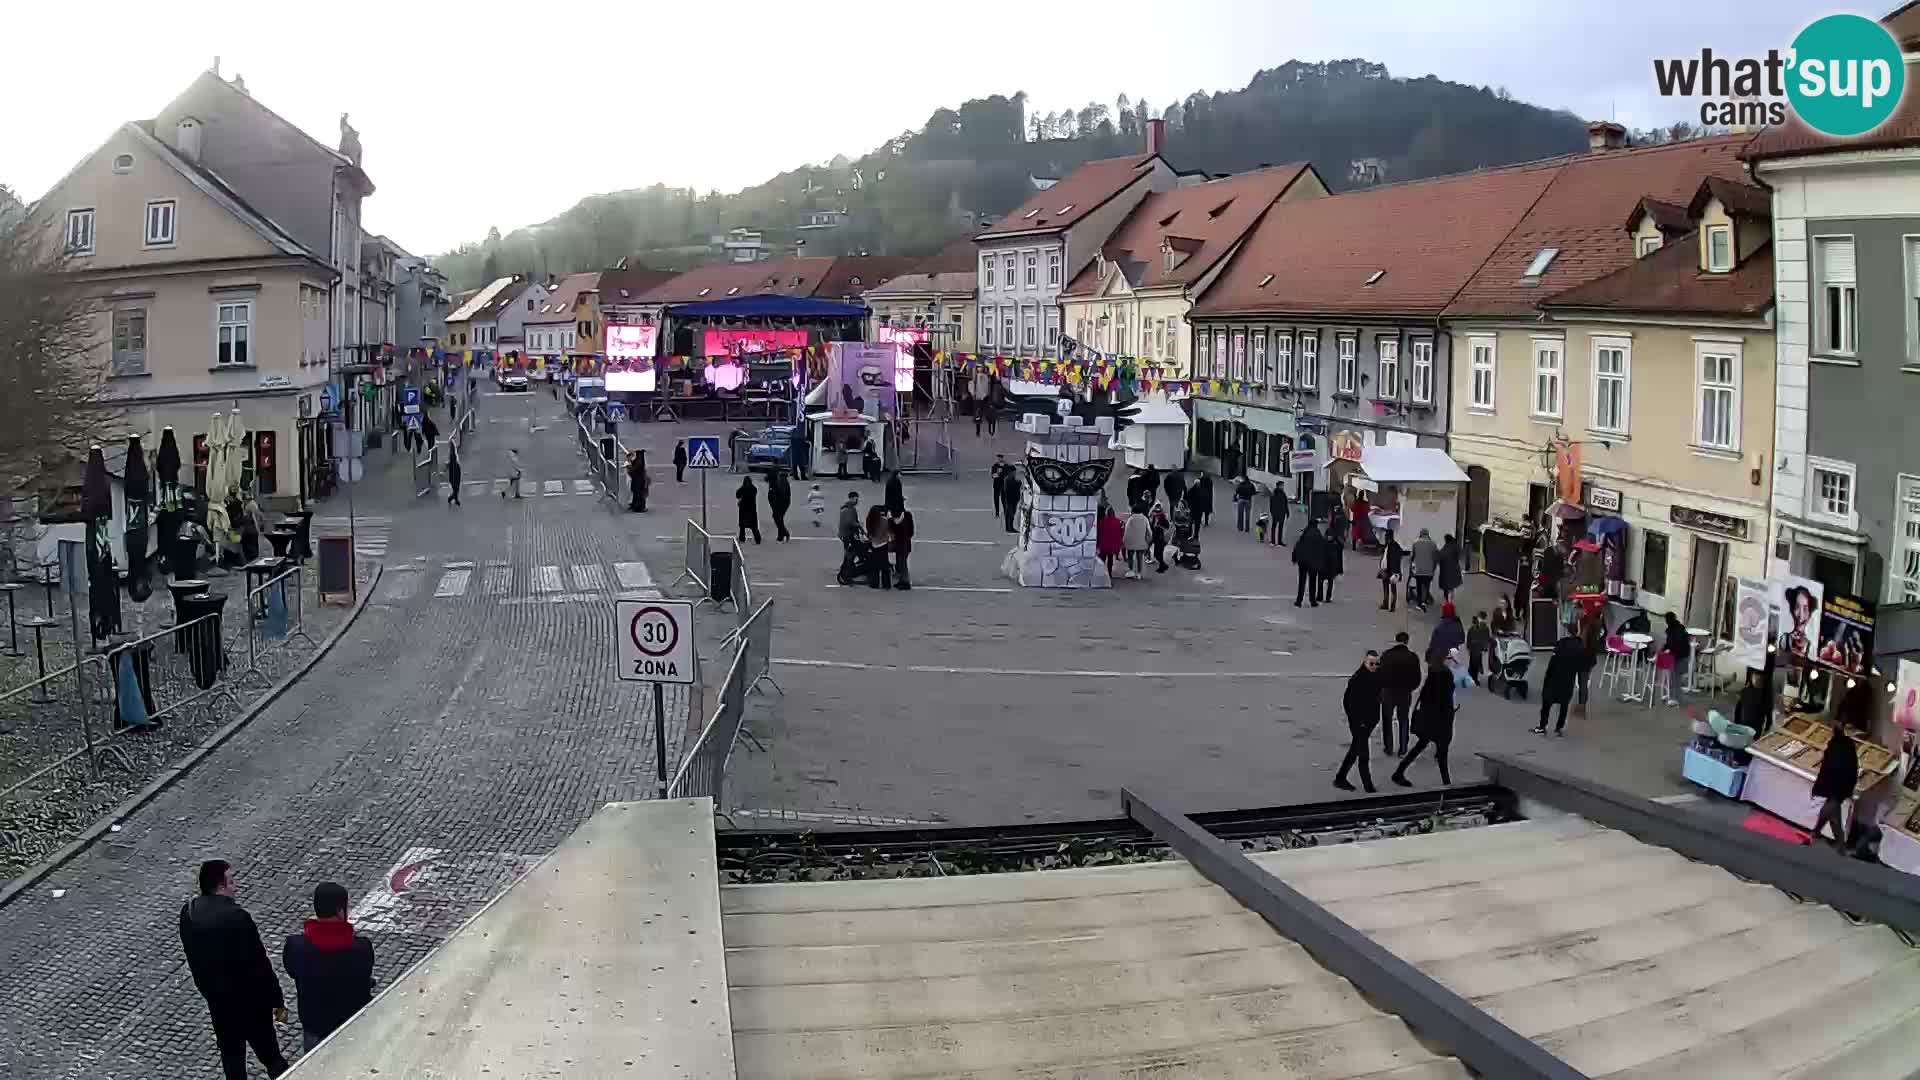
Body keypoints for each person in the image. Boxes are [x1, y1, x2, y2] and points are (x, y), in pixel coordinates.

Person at [181, 859, 289, 1080]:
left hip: (219, 1004)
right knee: (271, 1057)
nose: (236, 886)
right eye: (231, 881)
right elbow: (260, 965)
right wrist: (276, 1000)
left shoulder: (189, 914)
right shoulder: (237, 918)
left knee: (233, 1062)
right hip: (250, 1004)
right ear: (221, 886)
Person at [282, 881, 375, 1053]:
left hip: (315, 1024)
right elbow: (364, 975)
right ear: (341, 912)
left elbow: (292, 971)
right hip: (351, 1022)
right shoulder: (361, 948)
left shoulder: (296, 946)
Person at [1392, 656, 1457, 787]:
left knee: (1423, 746)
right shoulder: (1444, 675)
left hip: (1430, 719)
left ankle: (1399, 772)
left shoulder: (1434, 675)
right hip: (1440, 720)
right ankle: (1447, 783)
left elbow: (1427, 697)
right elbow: (1446, 697)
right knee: (1441, 752)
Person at [1812, 699, 1863, 849]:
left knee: (1832, 808)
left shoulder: (1842, 744)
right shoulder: (1841, 743)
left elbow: (1842, 765)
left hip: (1838, 782)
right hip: (1838, 782)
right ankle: (1837, 842)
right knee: (1833, 811)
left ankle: (1819, 832)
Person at [1334, 651, 1383, 793]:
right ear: (1365, 662)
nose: (1374, 666)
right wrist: (1357, 721)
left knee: (1355, 749)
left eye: (1376, 663)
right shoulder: (1358, 679)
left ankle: (1340, 777)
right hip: (1360, 723)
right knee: (1363, 754)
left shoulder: (1376, 676)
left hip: (1369, 722)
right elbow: (1348, 702)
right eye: (1371, 663)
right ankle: (1368, 787)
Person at [1535, 628, 1586, 735]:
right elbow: (1581, 665)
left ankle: (1542, 726)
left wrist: (1547, 675)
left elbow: (1552, 662)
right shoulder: (1580, 647)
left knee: (1547, 702)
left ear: (1567, 633)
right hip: (1569, 679)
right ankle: (1559, 727)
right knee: (1564, 704)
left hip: (1555, 677)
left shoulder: (1561, 644)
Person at [1379, 631, 1422, 755]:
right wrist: (1410, 688)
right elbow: (1417, 678)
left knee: (1387, 719)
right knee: (1403, 719)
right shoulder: (1412, 657)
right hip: (1404, 692)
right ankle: (1403, 747)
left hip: (1388, 692)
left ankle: (1389, 747)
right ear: (1407, 641)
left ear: (1396, 640)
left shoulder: (1386, 655)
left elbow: (1379, 674)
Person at [1662, 611, 1692, 704]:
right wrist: (1664, 649)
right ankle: (1671, 695)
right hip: (1680, 654)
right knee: (1673, 676)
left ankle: (1675, 699)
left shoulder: (1675, 630)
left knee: (1675, 677)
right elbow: (1670, 643)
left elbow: (1674, 644)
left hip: (1680, 656)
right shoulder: (1678, 628)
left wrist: (1667, 650)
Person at [1293, 518, 1324, 607]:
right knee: (1312, 582)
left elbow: (1298, 546)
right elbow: (1321, 548)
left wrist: (1295, 558)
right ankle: (1312, 600)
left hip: (1302, 561)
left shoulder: (1305, 533)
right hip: (1313, 562)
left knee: (1302, 581)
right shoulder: (1318, 534)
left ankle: (1299, 601)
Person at [863, 505, 893, 589]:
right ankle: (886, 584)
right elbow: (889, 530)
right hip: (883, 544)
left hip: (873, 543)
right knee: (885, 566)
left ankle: (874, 583)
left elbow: (870, 532)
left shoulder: (870, 520)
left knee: (874, 566)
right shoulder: (884, 521)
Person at [1409, 528, 1439, 611]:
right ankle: (1424, 601)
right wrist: (1433, 568)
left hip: (1418, 570)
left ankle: (1419, 603)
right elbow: (1436, 558)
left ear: (1421, 534)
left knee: (1419, 586)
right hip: (1429, 570)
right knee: (1426, 586)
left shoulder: (1415, 543)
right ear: (1428, 534)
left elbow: (1412, 557)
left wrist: (1411, 567)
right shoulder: (1433, 544)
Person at [1378, 529, 1405, 612]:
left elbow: (1392, 558)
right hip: (1390, 570)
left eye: (1386, 536)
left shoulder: (1391, 546)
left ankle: (1389, 604)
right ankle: (1389, 604)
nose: (1386, 538)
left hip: (1390, 570)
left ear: (1388, 537)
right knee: (1390, 587)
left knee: (1389, 587)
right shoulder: (1394, 545)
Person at [836, 490, 862, 580]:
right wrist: (859, 526)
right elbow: (850, 522)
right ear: (851, 498)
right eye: (856, 498)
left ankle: (846, 566)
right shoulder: (848, 509)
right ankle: (846, 568)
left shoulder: (848, 508)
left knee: (849, 551)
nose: (857, 501)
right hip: (847, 534)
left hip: (846, 533)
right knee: (850, 551)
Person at [888, 504, 914, 589]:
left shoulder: (893, 520)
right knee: (902, 563)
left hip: (901, 544)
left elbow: (893, 530)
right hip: (904, 544)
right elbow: (911, 532)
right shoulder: (907, 516)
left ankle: (905, 582)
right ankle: (902, 581)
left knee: (902, 564)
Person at [1122, 505, 1151, 579]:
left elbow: (1127, 531)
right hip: (1142, 542)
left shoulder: (1130, 519)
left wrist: (1124, 541)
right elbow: (1149, 531)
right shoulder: (1145, 519)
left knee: (1130, 556)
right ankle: (1139, 573)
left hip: (1131, 542)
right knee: (1139, 557)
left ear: (1133, 511)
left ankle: (1131, 571)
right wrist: (1148, 541)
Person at [1320, 522, 1344, 602]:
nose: (1329, 537)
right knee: (1328, 582)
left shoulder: (1325, 543)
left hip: (1328, 566)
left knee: (1325, 581)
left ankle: (1323, 596)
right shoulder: (1336, 544)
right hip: (1328, 565)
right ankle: (1326, 597)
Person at [1097, 506, 1124, 577]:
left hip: (1104, 544)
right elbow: (1120, 533)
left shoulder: (1102, 521)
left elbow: (1099, 532)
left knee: (1102, 558)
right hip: (1112, 544)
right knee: (1110, 559)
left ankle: (1101, 572)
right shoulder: (1118, 522)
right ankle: (1109, 572)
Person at [1466, 612, 1492, 685]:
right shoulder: (1485, 628)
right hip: (1479, 648)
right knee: (1476, 663)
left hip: (1473, 647)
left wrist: (1468, 647)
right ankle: (1474, 677)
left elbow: (1469, 637)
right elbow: (1486, 639)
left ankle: (1472, 675)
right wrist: (1485, 648)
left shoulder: (1473, 627)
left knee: (1473, 662)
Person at [735, 475, 762, 545]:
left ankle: (742, 538)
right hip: (752, 510)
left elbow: (737, 495)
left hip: (743, 509)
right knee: (754, 526)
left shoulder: (743, 488)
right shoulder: (753, 489)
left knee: (742, 526)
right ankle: (757, 539)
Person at [767, 468, 792, 541]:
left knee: (777, 517)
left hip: (782, 502)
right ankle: (780, 536)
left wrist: (774, 505)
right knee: (779, 518)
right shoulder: (775, 481)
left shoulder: (780, 482)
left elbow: (782, 494)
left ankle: (784, 532)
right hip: (779, 502)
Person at [1438, 533, 1463, 604]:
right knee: (1451, 587)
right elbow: (1458, 555)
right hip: (1454, 570)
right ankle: (1450, 601)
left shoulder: (1445, 548)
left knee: (1447, 587)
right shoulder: (1455, 546)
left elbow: (1440, 557)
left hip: (1445, 571)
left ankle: (1448, 601)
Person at [1149, 502, 1171, 573]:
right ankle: (1163, 566)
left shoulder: (1161, 516)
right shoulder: (1155, 517)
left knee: (1158, 554)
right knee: (1158, 554)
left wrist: (1158, 526)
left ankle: (1163, 566)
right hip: (1157, 538)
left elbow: (1167, 526)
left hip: (1160, 538)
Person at [1000, 464, 1022, 534]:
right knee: (1009, 513)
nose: (1014, 473)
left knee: (1012, 513)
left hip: (1014, 499)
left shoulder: (1012, 479)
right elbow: (1007, 490)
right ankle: (1008, 528)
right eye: (1013, 472)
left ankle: (1010, 527)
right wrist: (1017, 485)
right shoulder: (1007, 480)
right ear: (1010, 472)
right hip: (1009, 500)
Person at [1269, 482, 1290, 546]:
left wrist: (1272, 512)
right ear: (1279, 486)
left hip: (1277, 513)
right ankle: (1279, 542)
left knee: (1274, 527)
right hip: (1280, 513)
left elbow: (1271, 504)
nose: (1283, 487)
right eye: (1282, 485)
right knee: (1280, 527)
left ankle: (1273, 541)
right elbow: (1285, 504)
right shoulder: (1281, 494)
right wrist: (1287, 512)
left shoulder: (1274, 493)